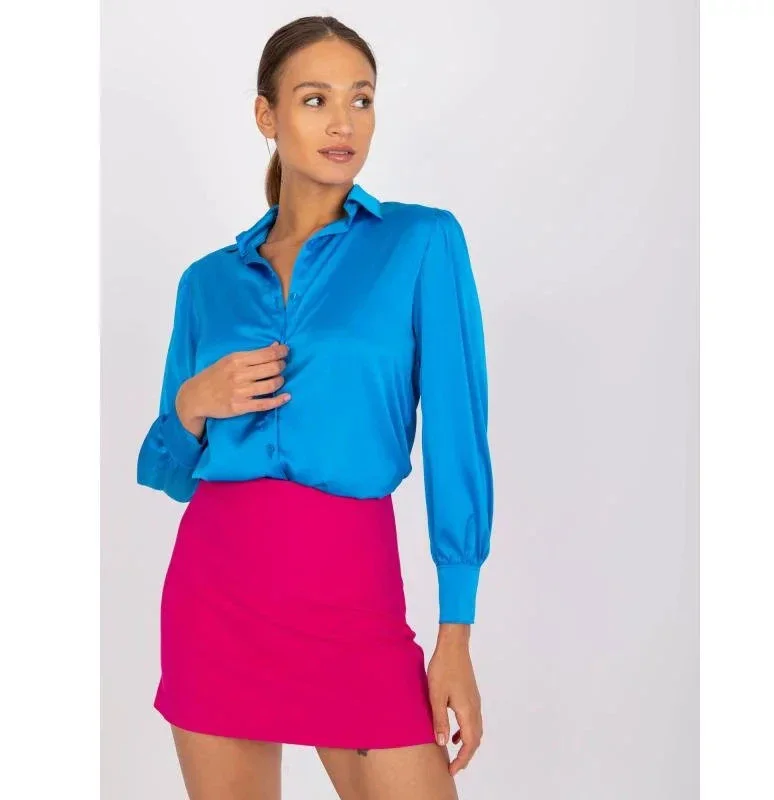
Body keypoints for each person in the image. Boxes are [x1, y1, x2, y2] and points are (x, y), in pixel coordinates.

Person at [136, 14, 493, 800]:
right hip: (215, 600)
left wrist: (455, 634)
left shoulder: (420, 243)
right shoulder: (208, 282)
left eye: (361, 99)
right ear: (266, 116)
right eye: (314, 99)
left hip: (353, 599)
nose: (343, 122)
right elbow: (170, 471)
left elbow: (458, 441)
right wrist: (194, 401)